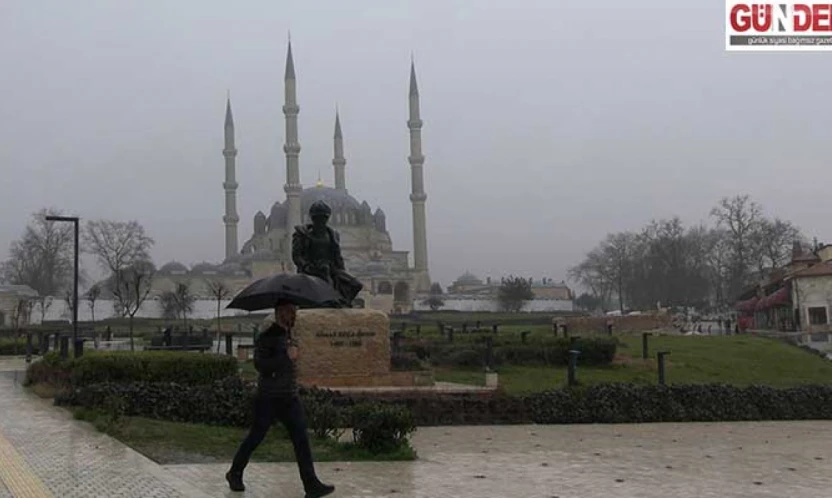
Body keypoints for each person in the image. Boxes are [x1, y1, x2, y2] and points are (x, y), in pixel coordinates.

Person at [226, 301, 334, 498]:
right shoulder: (267, 337)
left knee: (301, 439)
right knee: (256, 436)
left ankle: (311, 484)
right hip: (269, 397)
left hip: (290, 397)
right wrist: (286, 357)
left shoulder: (289, 336)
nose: (293, 316)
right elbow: (261, 365)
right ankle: (235, 472)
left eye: (294, 312)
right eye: (289, 312)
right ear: (279, 313)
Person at [292, 200, 363, 306]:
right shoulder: (302, 235)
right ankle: (330, 301)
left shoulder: (332, 235)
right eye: (318, 218)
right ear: (313, 218)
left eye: (323, 218)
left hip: (331, 268)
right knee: (325, 274)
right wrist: (307, 266)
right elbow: (297, 256)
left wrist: (341, 272)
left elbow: (337, 256)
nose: (321, 221)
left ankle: (343, 302)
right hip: (311, 269)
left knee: (356, 285)